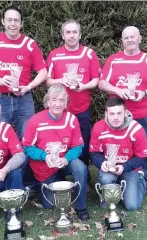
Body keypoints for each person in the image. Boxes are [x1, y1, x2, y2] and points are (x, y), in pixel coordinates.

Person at [98, 26, 147, 195]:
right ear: (122, 41)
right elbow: (101, 83)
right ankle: (114, 176)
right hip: (118, 115)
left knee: (145, 148)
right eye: (126, 38)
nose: (129, 40)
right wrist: (117, 90)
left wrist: (144, 92)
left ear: (140, 38)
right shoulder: (114, 60)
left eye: (132, 37)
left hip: (143, 113)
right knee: (115, 147)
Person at [0, 5, 47, 141]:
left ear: (21, 23)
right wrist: (0, 81)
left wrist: (28, 87)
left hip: (24, 99)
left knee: (27, 139)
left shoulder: (30, 44)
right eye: (9, 20)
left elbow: (43, 73)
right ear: (3, 21)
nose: (12, 24)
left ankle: (24, 164)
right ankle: (4, 164)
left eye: (16, 20)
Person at [21, 84, 90, 221]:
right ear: (47, 101)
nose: (58, 104)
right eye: (54, 99)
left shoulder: (71, 119)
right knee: (49, 204)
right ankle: (45, 184)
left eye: (62, 100)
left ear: (66, 103)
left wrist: (66, 159)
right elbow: (27, 147)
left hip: (64, 162)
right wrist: (44, 156)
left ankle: (81, 207)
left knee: (80, 167)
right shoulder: (35, 121)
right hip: (45, 166)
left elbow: (78, 146)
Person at [46, 19, 101, 183]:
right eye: (68, 32)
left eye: (74, 32)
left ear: (80, 34)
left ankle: (82, 176)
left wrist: (83, 86)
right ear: (62, 35)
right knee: (59, 144)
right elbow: (48, 81)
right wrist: (61, 80)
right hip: (59, 111)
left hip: (81, 109)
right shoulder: (54, 55)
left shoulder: (89, 54)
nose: (71, 35)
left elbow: (96, 80)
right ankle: (58, 175)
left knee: (82, 145)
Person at [90, 97, 147, 210]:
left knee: (131, 206)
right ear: (106, 114)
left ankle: (140, 183)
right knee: (106, 203)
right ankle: (113, 187)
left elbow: (142, 157)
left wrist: (124, 167)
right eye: (112, 114)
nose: (115, 117)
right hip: (110, 168)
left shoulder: (136, 129)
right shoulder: (98, 127)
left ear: (125, 113)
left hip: (130, 168)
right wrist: (102, 163)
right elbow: (94, 153)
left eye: (119, 113)